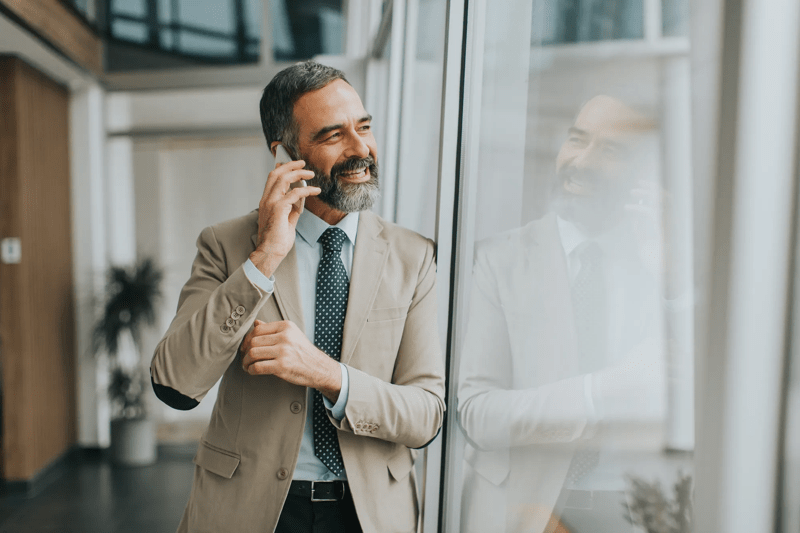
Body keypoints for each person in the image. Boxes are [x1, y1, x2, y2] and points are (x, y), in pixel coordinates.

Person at [151, 61, 445, 533]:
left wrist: (328, 375)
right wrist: (264, 258)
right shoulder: (226, 245)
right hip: (249, 511)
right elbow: (175, 384)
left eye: (364, 127)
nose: (360, 148)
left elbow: (426, 415)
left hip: (368, 515)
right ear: (285, 154)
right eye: (333, 135)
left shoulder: (414, 256)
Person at [458, 95, 676, 533]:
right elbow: (477, 414)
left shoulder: (666, 262)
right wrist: (596, 393)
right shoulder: (499, 259)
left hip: (639, 511)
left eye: (611, 151)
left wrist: (673, 275)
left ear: (645, 174)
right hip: (524, 508)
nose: (582, 161)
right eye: (577, 140)